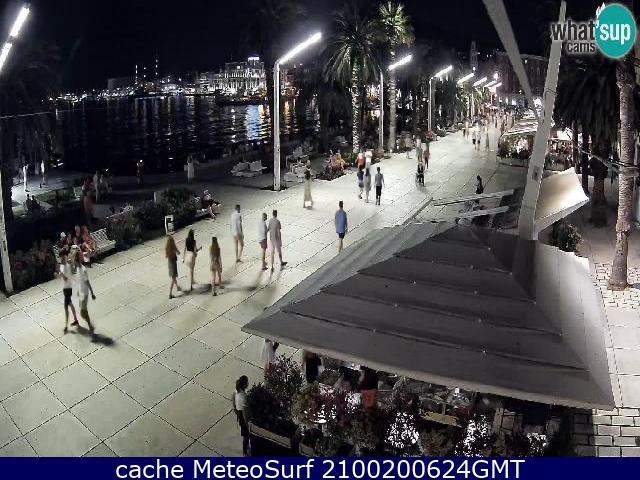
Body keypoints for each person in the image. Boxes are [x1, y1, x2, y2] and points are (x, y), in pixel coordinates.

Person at [72, 251, 95, 337]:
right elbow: (79, 281)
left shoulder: (83, 269)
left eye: (74, 260)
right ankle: (90, 326)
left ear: (76, 260)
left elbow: (87, 282)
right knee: (83, 311)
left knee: (83, 312)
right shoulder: (78, 268)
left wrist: (92, 293)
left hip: (84, 293)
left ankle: (90, 326)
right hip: (81, 292)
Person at [57, 252, 79, 333]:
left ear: (65, 258)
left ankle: (66, 326)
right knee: (70, 304)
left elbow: (65, 278)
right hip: (66, 288)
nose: (62, 259)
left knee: (66, 307)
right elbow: (61, 276)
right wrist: (58, 274)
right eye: (61, 258)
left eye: (63, 258)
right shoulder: (63, 265)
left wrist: (60, 272)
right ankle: (75, 320)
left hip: (68, 289)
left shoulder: (66, 266)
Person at [233, 376, 250, 456]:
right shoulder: (243, 397)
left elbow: (233, 399)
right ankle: (245, 452)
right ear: (244, 385)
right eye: (247, 382)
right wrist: (247, 423)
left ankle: (246, 449)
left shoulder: (237, 391)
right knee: (246, 436)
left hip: (239, 414)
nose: (248, 383)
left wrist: (235, 409)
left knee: (245, 435)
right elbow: (244, 413)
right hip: (243, 417)